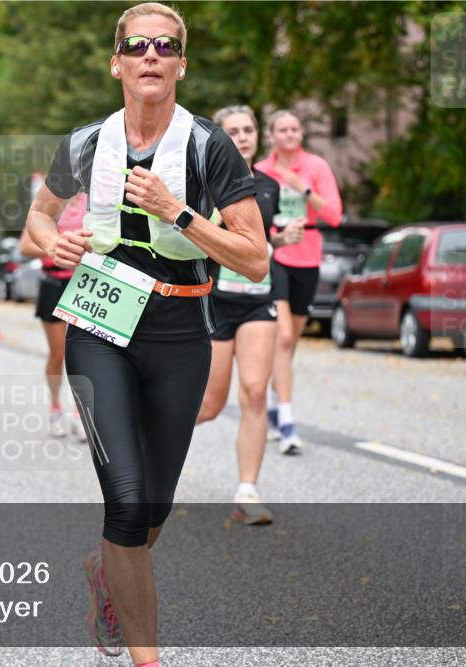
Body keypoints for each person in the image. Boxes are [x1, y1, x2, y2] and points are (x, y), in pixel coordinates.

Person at [24, 4, 268, 662]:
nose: (151, 54)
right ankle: (146, 655)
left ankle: (105, 576)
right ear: (118, 63)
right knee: (127, 505)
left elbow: (255, 256)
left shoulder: (207, 144)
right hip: (99, 325)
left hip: (180, 330)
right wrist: (59, 242)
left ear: (182, 64)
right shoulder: (83, 143)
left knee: (153, 512)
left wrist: (179, 211)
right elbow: (35, 222)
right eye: (138, 45)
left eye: (166, 46)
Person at [196, 105, 299, 525]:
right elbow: (192, 235)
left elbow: (259, 240)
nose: (242, 136)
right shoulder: (202, 184)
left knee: (256, 391)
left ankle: (247, 491)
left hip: (259, 299)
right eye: (233, 131)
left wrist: (280, 239)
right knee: (208, 404)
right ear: (219, 138)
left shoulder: (270, 185)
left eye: (248, 129)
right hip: (217, 301)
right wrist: (216, 217)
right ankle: (148, 453)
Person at [255, 109, 343, 454]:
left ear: (301, 134)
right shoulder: (261, 171)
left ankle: (277, 404)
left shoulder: (316, 167)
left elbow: (333, 216)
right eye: (283, 129)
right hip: (274, 253)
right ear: (272, 136)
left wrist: (301, 188)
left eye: (295, 129)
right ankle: (288, 422)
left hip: (307, 254)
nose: (290, 134)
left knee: (290, 342)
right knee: (284, 335)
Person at [19, 192, 89, 441]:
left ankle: (80, 414)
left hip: (84, 284)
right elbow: (25, 246)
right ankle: (55, 408)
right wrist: (58, 245)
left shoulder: (92, 199)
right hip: (53, 284)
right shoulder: (49, 203)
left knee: (83, 353)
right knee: (59, 352)